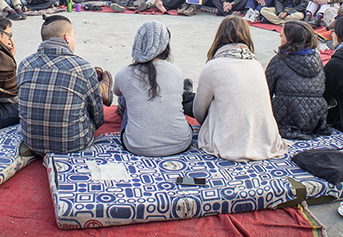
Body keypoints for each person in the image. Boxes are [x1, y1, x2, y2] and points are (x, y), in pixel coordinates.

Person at [193, 16, 287, 161]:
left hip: (226, 142)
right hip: (265, 141)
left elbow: (198, 112)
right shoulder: (256, 65)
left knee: (202, 100)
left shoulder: (213, 66)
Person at [17, 15, 112, 155]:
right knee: (88, 98)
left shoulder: (24, 65)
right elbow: (97, 117)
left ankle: (99, 88)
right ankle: (101, 88)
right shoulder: (82, 68)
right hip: (74, 143)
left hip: (33, 142)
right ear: (67, 37)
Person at [112, 21, 193, 156]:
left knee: (125, 97)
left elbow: (116, 92)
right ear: (165, 46)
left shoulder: (124, 73)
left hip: (136, 145)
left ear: (138, 43)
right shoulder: (177, 72)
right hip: (180, 143)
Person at [265, 21, 331, 140]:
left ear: (291, 39)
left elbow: (265, 93)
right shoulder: (317, 60)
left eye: (283, 34)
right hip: (315, 120)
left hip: (285, 119)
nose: (280, 36)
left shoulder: (278, 61)